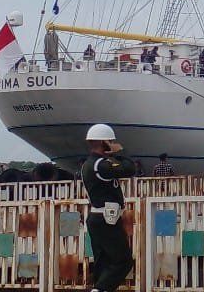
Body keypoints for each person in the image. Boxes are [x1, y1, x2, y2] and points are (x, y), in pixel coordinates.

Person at [81, 124, 138, 292]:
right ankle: (99, 290)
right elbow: (130, 168)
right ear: (103, 142)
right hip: (106, 219)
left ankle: (100, 288)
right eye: (110, 141)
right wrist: (119, 152)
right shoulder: (100, 165)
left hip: (99, 217)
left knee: (103, 262)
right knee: (123, 261)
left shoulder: (91, 164)